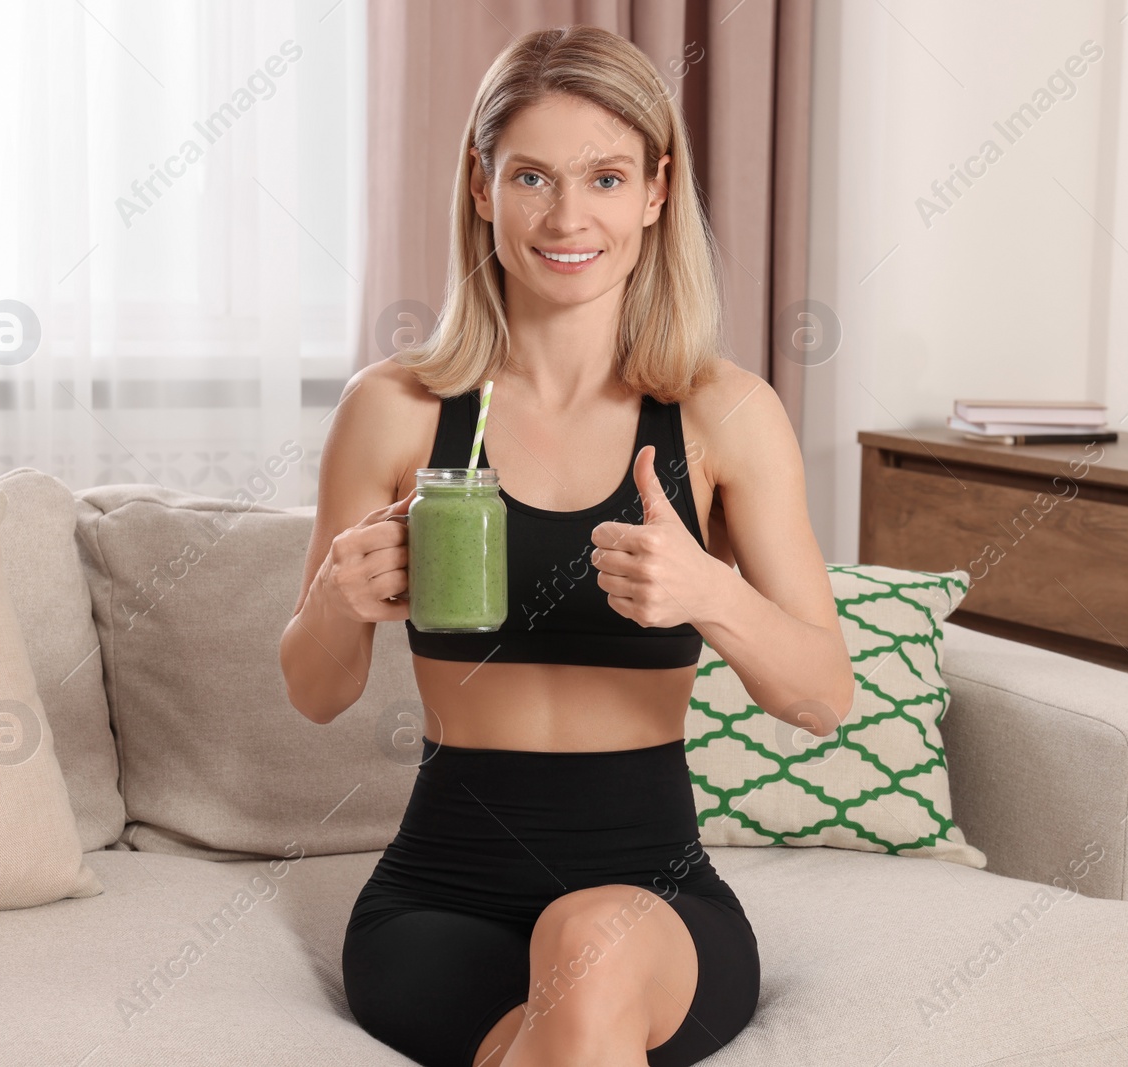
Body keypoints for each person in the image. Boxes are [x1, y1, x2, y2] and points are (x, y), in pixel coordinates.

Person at [281, 23, 855, 1067]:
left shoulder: (721, 414)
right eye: (532, 175)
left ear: (654, 190)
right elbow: (315, 692)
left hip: (655, 902)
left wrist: (711, 593)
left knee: (587, 937)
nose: (566, 215)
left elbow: (822, 695)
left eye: (604, 176)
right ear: (480, 185)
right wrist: (335, 598)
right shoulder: (396, 409)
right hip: (439, 900)